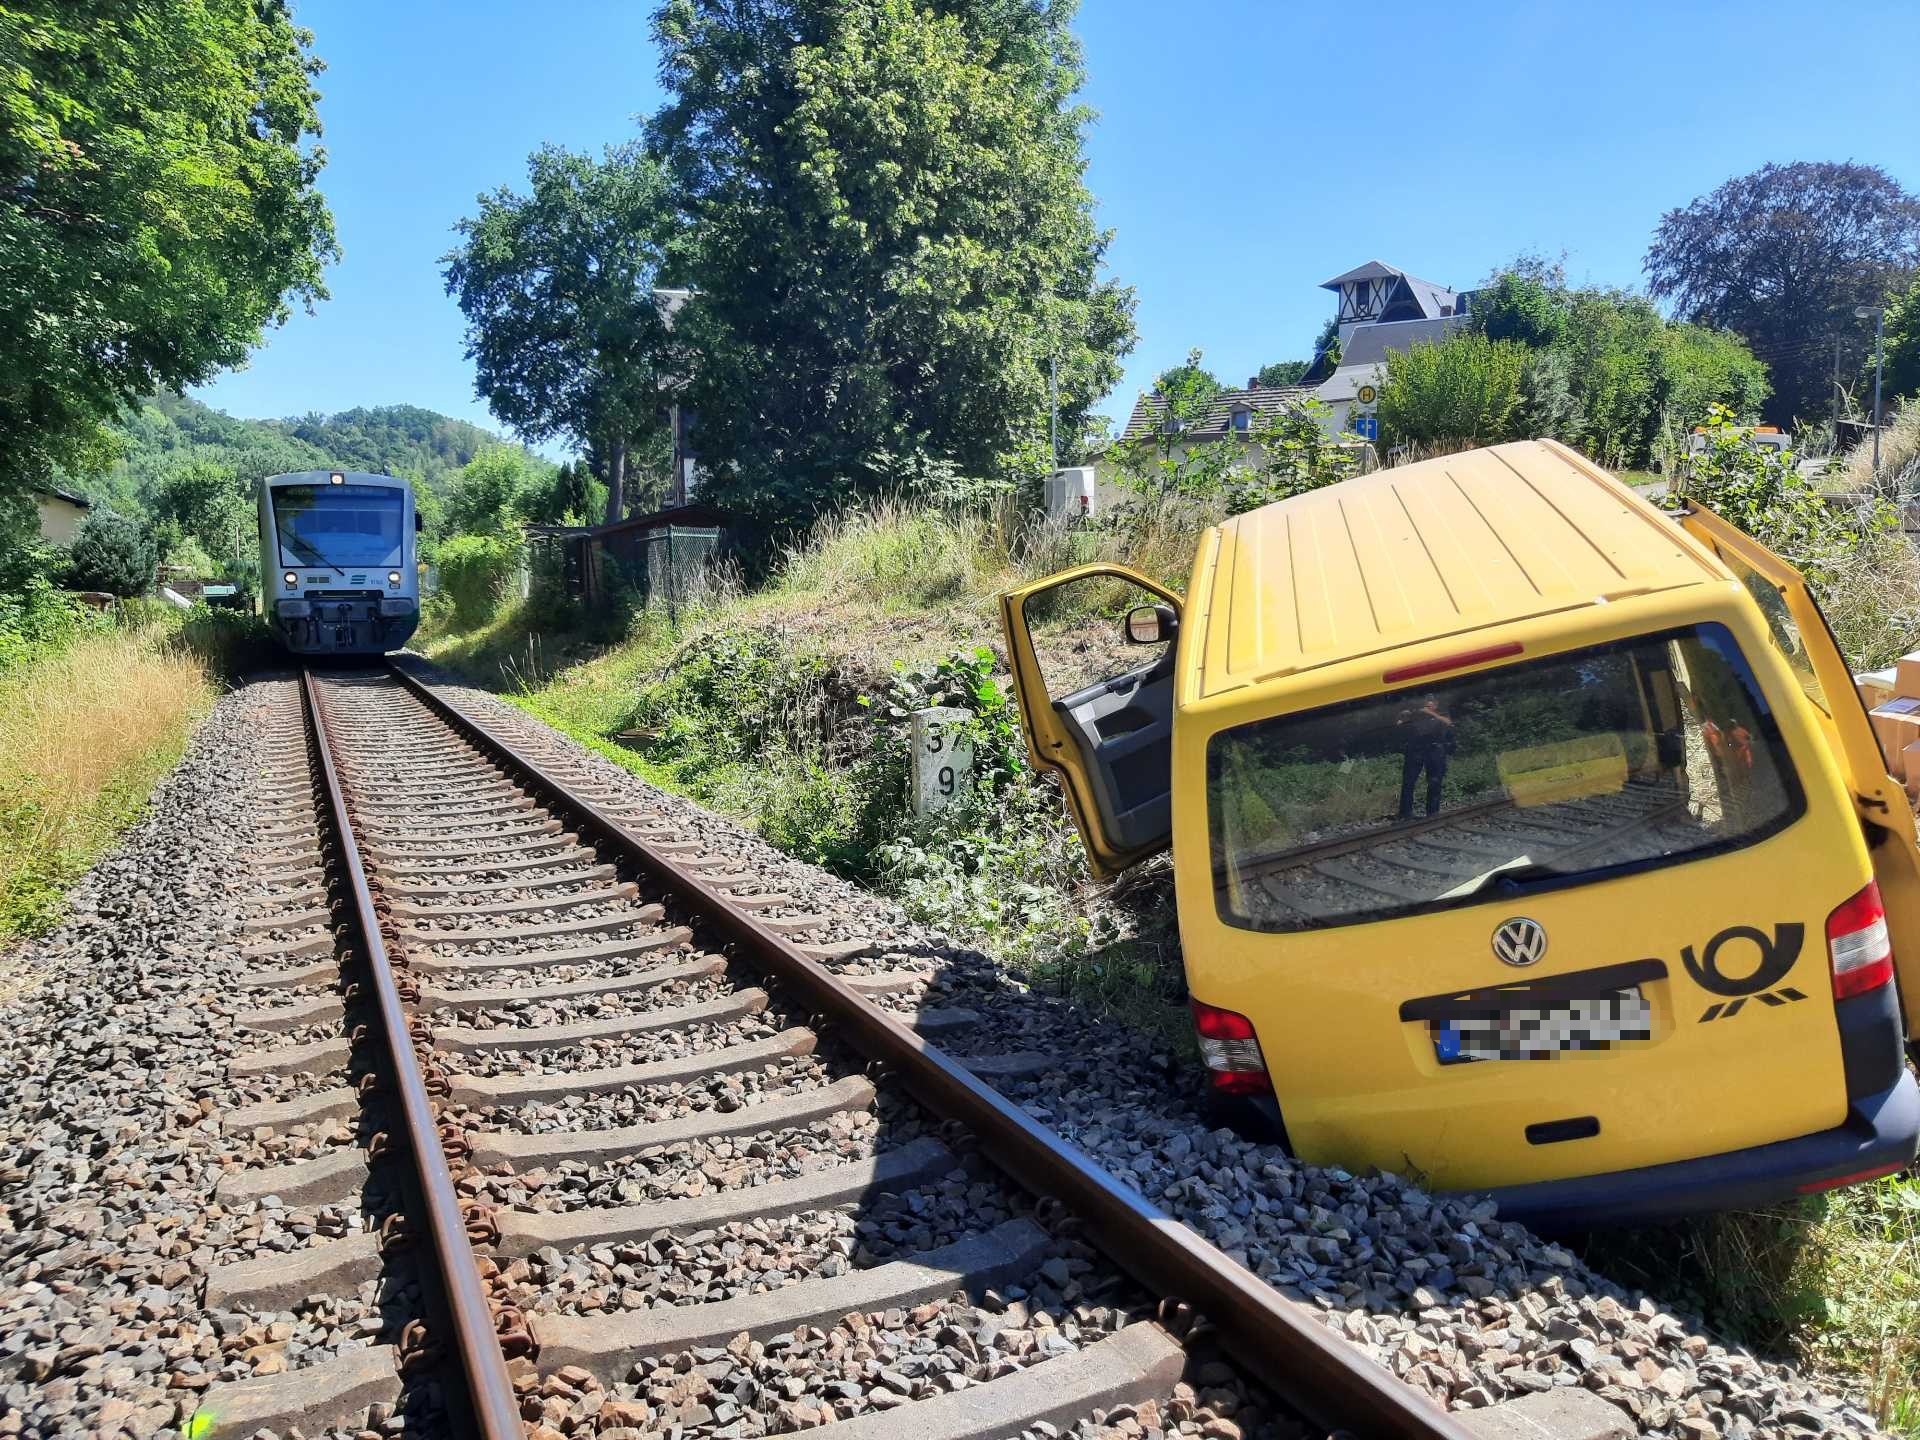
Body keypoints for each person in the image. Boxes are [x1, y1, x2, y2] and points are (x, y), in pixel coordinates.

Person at [1397, 693, 1455, 820]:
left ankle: (1432, 813)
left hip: (1435, 750)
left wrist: (1432, 714)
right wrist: (1404, 717)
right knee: (1409, 781)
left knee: (1435, 781)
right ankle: (1405, 812)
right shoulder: (1416, 714)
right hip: (1416, 750)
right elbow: (1399, 724)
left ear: (1436, 704)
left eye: (1432, 702)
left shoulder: (1441, 714)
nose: (1429, 704)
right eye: (1427, 701)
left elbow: (1449, 723)